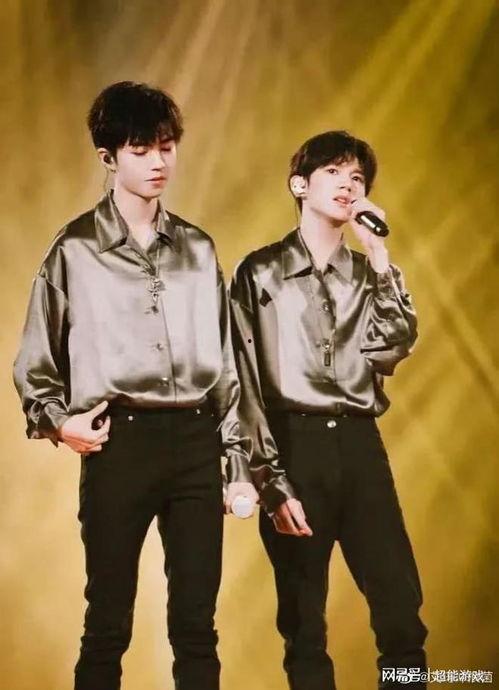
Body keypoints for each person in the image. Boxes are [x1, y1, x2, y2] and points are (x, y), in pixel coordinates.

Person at [13, 80, 257, 690]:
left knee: (197, 628)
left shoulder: (199, 249)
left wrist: (237, 464)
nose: (158, 162)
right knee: (106, 625)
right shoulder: (74, 250)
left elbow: (228, 364)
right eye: (141, 149)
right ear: (108, 156)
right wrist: (58, 423)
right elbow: (36, 361)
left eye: (167, 147)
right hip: (119, 444)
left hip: (196, 443)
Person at [229, 131, 427, 689]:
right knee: (303, 625)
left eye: (357, 177)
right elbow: (242, 382)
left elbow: (392, 347)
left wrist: (380, 257)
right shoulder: (259, 273)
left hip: (360, 446)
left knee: (399, 609)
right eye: (335, 172)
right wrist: (269, 480)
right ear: (300, 185)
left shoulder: (368, 275)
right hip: (293, 445)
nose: (348, 184)